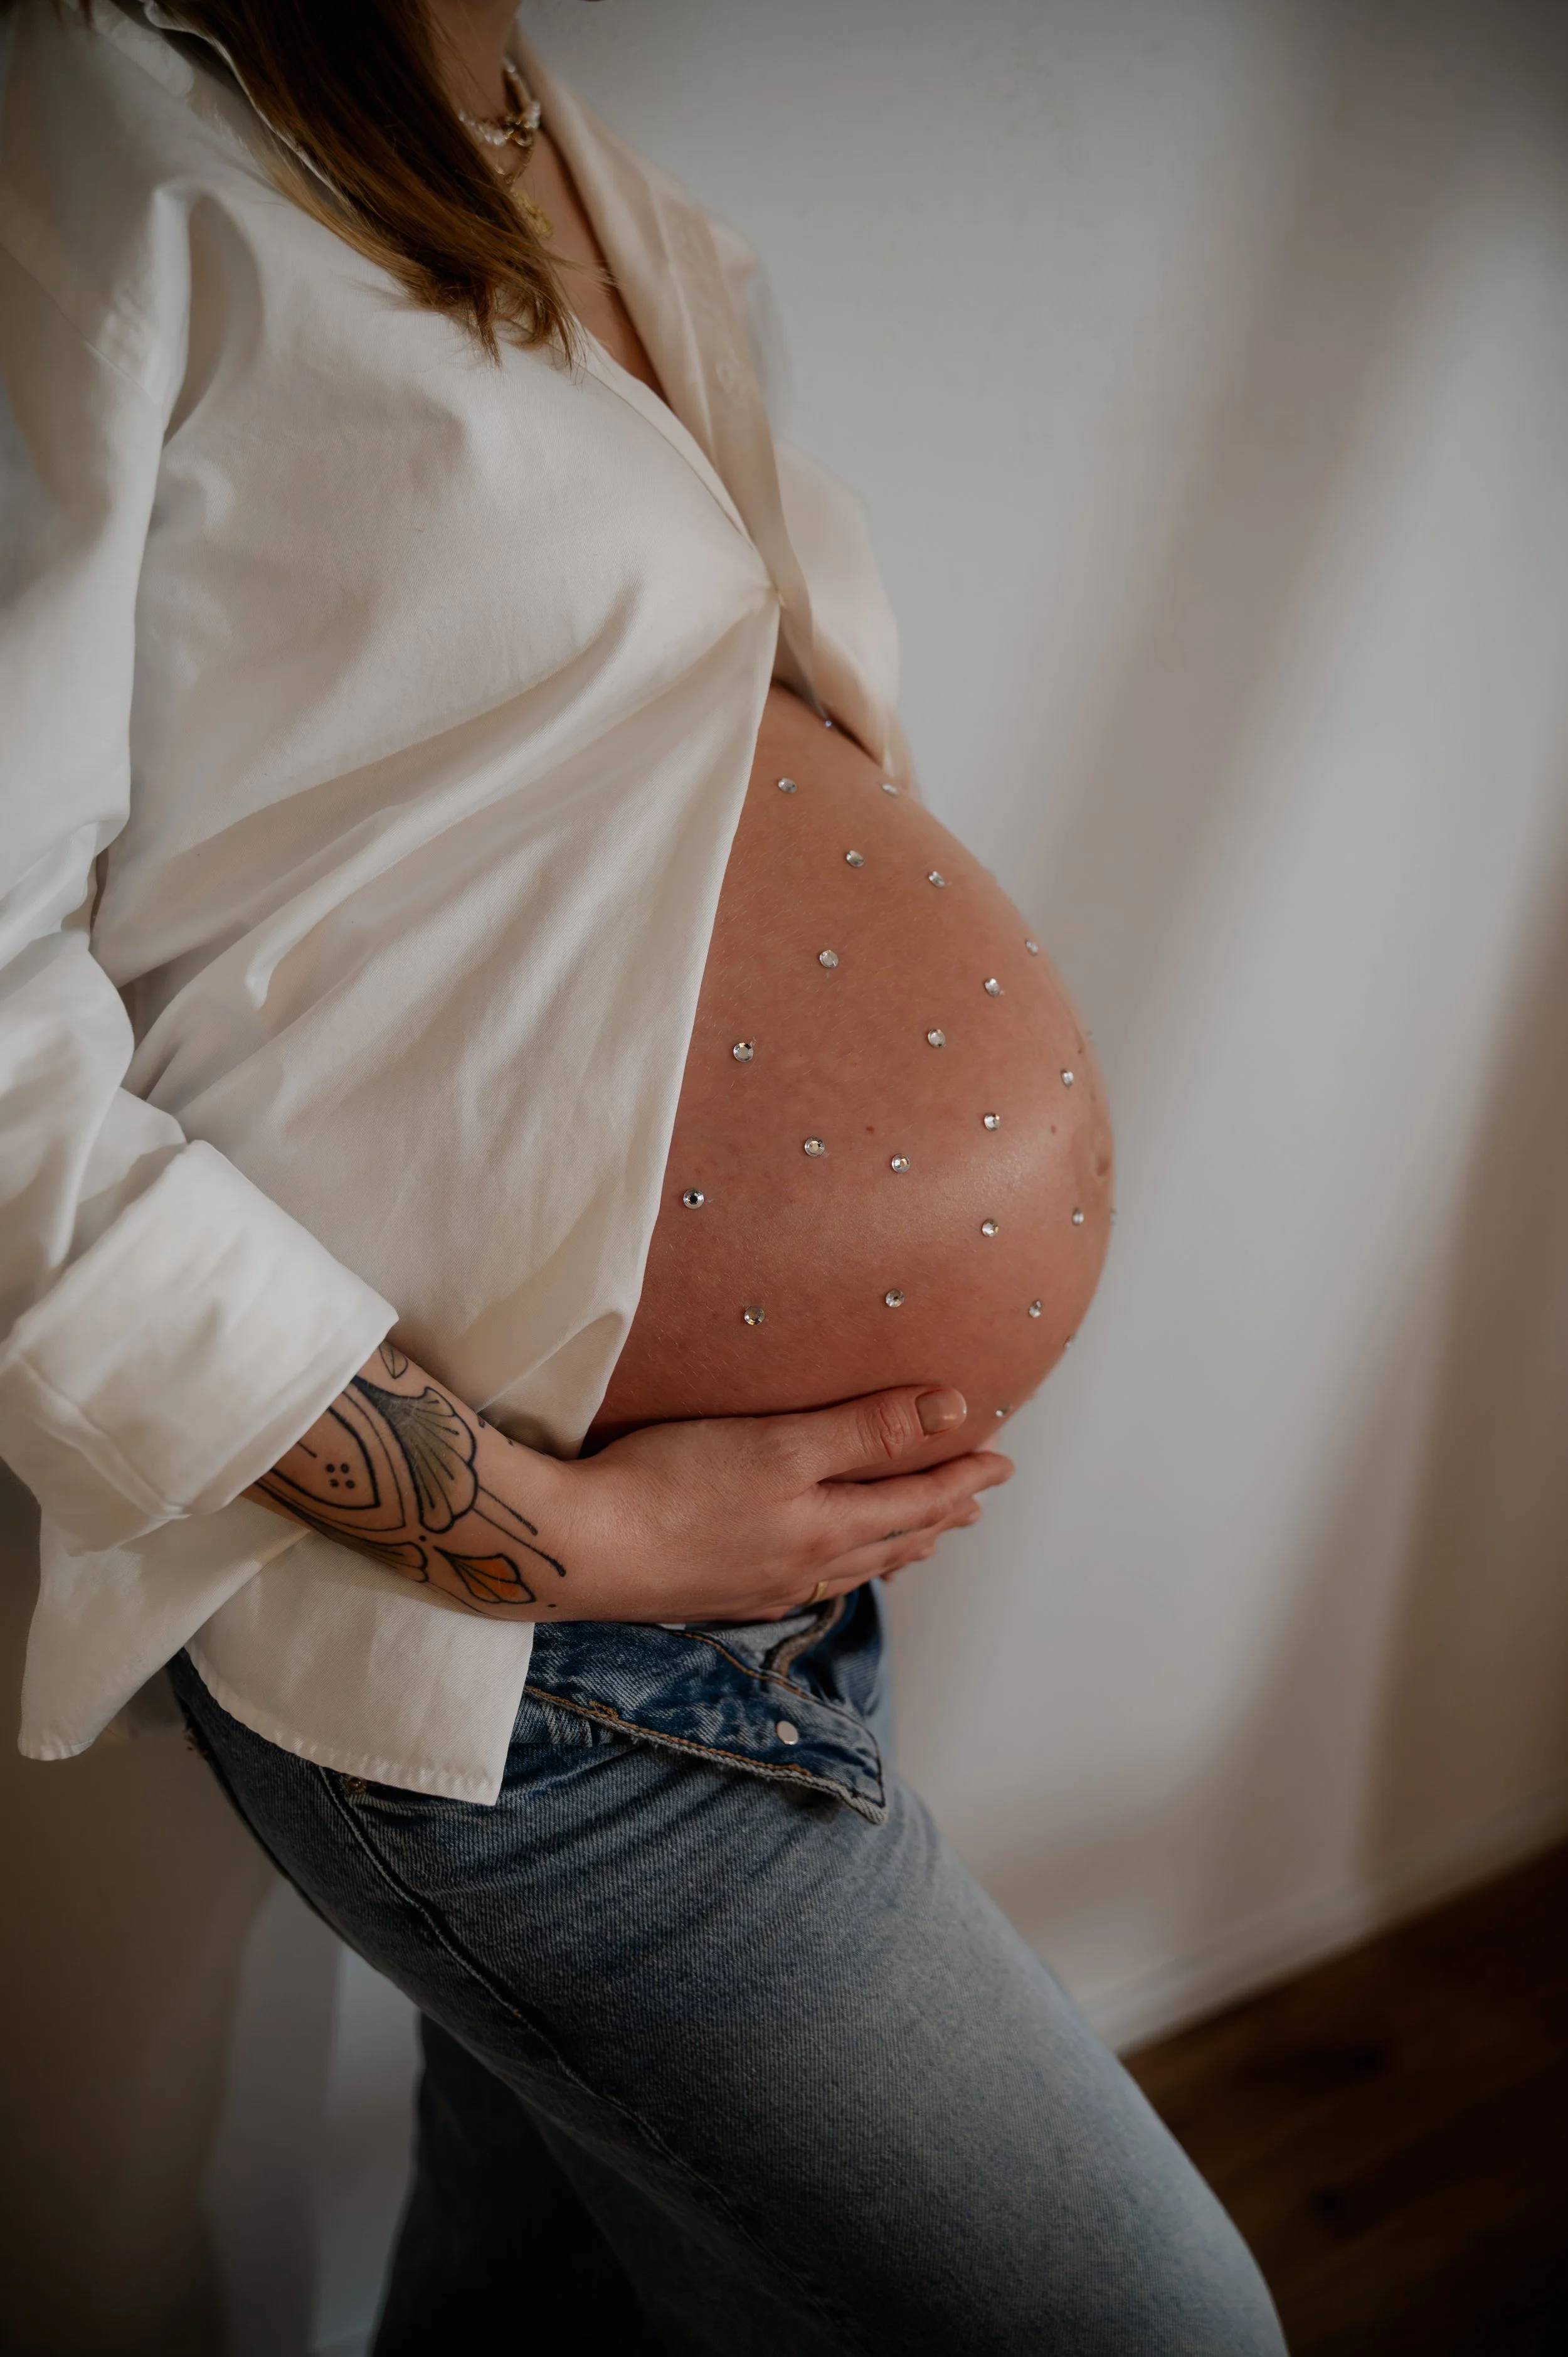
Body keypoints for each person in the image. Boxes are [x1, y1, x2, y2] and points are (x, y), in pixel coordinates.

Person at [0, 2, 1288, 2346]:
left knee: (552, 2297)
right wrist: (560, 1532)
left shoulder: (601, 178)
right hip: (514, 1648)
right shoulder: (95, 112)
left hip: (760, 1590)